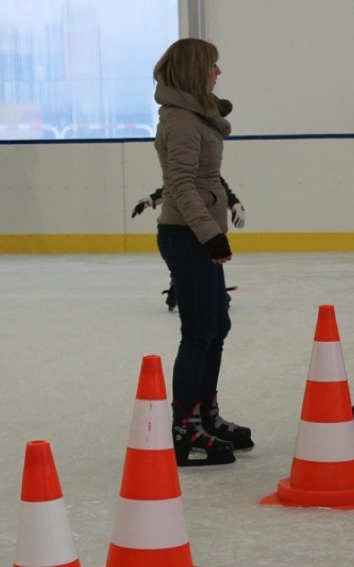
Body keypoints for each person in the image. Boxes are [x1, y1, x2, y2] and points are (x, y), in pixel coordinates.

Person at [153, 38, 252, 467]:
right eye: (212, 65)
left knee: (218, 323)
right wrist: (211, 234)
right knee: (198, 330)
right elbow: (180, 183)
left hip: (198, 231)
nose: (218, 72)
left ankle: (206, 414)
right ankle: (184, 427)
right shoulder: (180, 122)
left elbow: (206, 176)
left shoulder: (197, 116)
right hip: (185, 233)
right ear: (195, 70)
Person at [132, 176, 245, 311]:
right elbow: (167, 191)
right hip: (183, 226)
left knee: (210, 260)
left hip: (207, 227)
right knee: (183, 263)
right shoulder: (183, 175)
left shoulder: (211, 175)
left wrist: (236, 205)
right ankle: (178, 286)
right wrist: (148, 201)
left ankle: (216, 290)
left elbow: (223, 192)